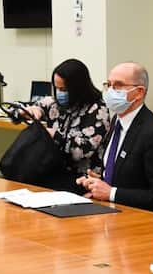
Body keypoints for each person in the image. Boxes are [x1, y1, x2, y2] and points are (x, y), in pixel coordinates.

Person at [75, 62, 153, 212]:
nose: (110, 91)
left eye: (118, 85)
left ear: (139, 92)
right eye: (108, 85)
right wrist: (98, 182)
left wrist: (111, 193)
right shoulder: (117, 121)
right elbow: (126, 178)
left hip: (138, 220)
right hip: (110, 211)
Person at [24, 59, 110, 189]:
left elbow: (83, 150)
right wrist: (30, 110)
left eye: (64, 89)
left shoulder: (97, 109)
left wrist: (55, 135)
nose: (60, 93)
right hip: (54, 171)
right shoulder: (54, 103)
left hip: (83, 178)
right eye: (57, 88)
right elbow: (22, 110)